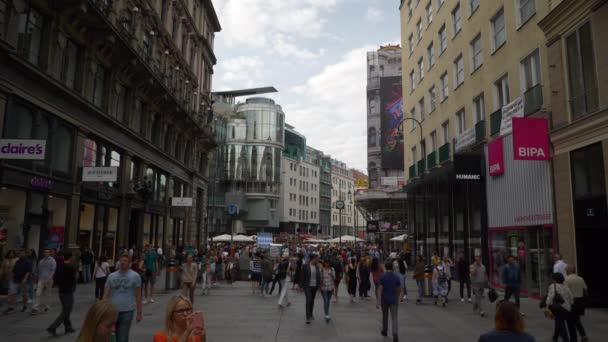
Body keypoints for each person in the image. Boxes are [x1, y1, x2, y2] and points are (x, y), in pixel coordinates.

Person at [104, 254, 143, 342]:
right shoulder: (111, 276)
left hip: (127, 311)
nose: (122, 263)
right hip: (112, 311)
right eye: (121, 260)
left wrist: (139, 312)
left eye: (125, 261)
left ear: (129, 263)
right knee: (110, 337)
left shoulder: (135, 276)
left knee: (123, 337)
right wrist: (103, 310)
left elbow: (138, 295)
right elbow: (106, 294)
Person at [46, 251, 77, 336]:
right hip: (68, 291)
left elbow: (55, 278)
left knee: (65, 309)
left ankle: (68, 327)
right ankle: (53, 327)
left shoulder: (60, 266)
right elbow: (74, 279)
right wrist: (72, 287)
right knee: (67, 310)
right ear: (70, 257)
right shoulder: (71, 267)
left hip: (61, 291)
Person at [376, 261, 402, 342]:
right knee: (394, 318)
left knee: (385, 316)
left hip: (384, 300)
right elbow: (399, 289)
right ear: (392, 267)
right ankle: (395, 334)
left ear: (386, 268)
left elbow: (380, 290)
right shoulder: (396, 277)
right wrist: (397, 297)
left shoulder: (382, 277)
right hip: (393, 300)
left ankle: (385, 330)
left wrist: (378, 301)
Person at [547, 272, 574, 342]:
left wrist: (547, 306)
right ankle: (555, 337)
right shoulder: (566, 287)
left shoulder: (553, 286)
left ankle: (566, 339)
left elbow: (550, 297)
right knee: (558, 322)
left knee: (561, 325)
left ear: (555, 280)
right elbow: (571, 299)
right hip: (567, 309)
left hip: (558, 308)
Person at [3, 249, 32, 314]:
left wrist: (25, 278)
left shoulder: (28, 261)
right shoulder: (18, 261)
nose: (21, 254)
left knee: (24, 294)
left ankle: (25, 306)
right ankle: (11, 307)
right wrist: (11, 276)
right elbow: (14, 270)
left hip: (24, 281)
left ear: (25, 254)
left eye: (22, 253)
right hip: (15, 279)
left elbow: (28, 271)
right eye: (20, 253)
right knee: (12, 293)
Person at [565, 265, 588, 342]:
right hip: (580, 302)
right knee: (577, 320)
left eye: (566, 270)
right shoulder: (580, 279)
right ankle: (583, 335)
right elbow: (585, 291)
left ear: (568, 271)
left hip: (571, 303)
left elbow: (565, 293)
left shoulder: (567, 280)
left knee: (570, 322)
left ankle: (573, 338)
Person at [31, 247, 56, 314]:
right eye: (45, 252)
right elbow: (39, 271)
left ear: (49, 253)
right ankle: (35, 308)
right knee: (38, 293)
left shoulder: (52, 260)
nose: (46, 253)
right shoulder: (41, 261)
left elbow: (53, 271)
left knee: (48, 293)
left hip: (49, 280)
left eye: (47, 252)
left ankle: (47, 306)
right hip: (41, 279)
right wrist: (37, 278)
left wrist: (49, 279)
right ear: (43, 253)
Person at [300, 253, 321, 324]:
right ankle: (307, 317)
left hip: (314, 286)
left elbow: (318, 277)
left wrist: (319, 286)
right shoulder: (305, 266)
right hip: (307, 286)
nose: (318, 260)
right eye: (317, 259)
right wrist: (301, 286)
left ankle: (311, 313)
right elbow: (302, 276)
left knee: (312, 300)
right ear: (313, 259)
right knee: (308, 300)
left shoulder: (317, 267)